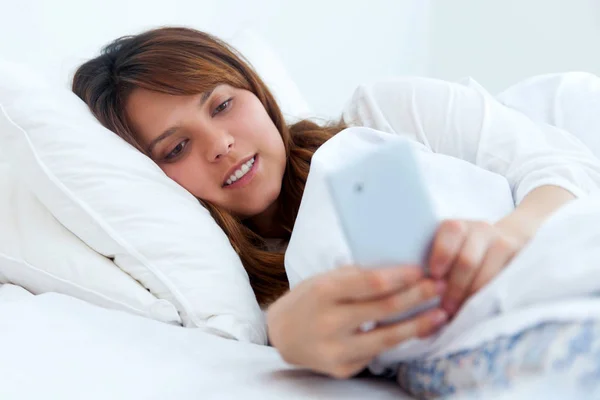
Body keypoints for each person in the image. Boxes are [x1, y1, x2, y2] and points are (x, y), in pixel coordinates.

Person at [71, 27, 600, 381]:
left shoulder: (381, 112)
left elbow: (562, 165)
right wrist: (289, 337)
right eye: (177, 147)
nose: (220, 144)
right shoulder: (231, 288)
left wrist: (506, 237)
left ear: (257, 91)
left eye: (223, 104)